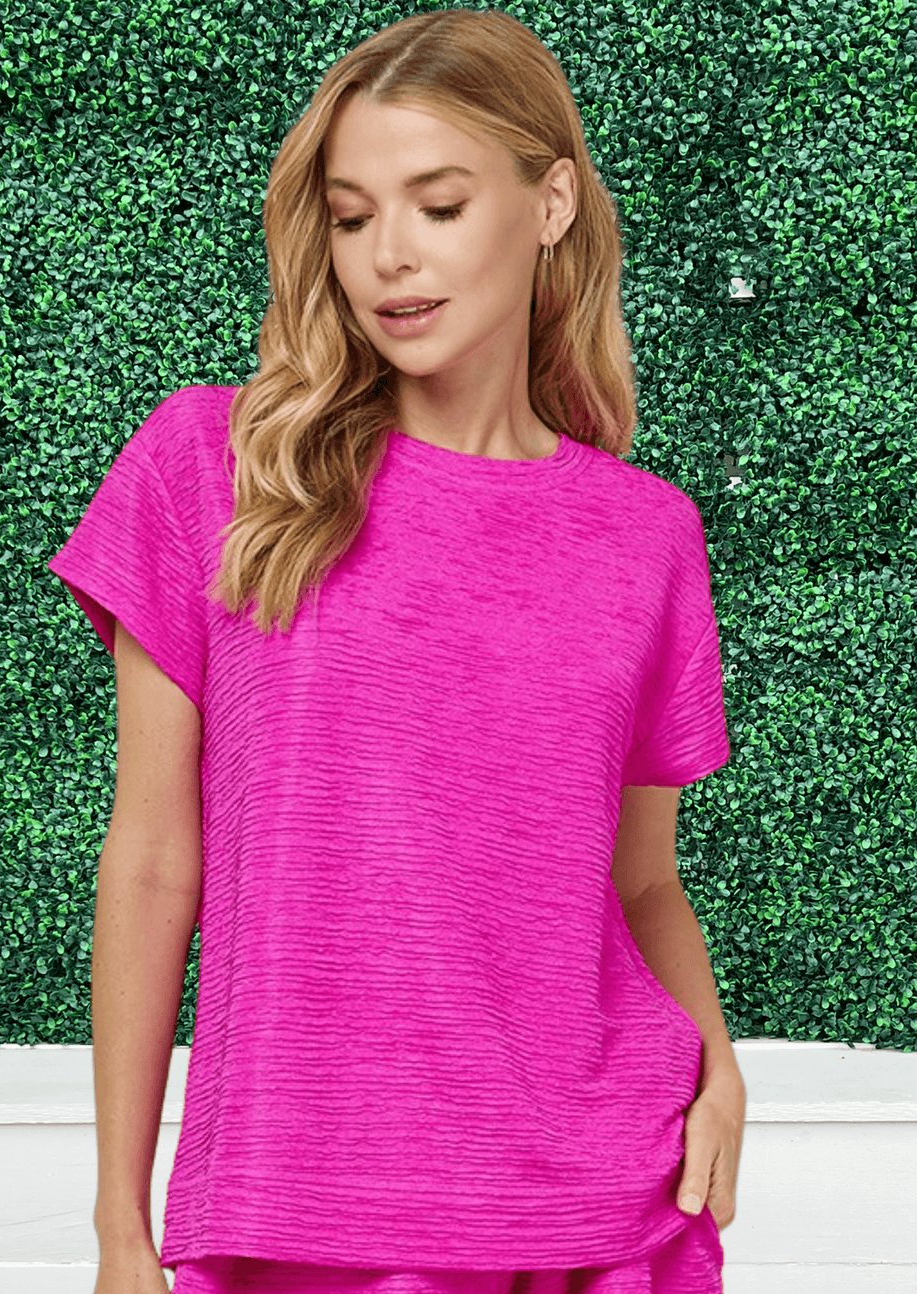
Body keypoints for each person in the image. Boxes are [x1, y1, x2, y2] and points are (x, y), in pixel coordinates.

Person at [47, 9, 746, 1294]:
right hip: (296, 1200)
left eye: (438, 204)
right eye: (352, 215)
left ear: (550, 204)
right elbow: (150, 861)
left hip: (597, 1202)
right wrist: (119, 1227)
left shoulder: (644, 534)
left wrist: (720, 1067)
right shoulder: (218, 468)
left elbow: (643, 882)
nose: (389, 257)